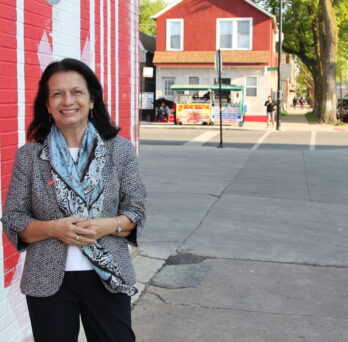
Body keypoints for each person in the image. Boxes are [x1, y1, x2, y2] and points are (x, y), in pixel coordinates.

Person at [1, 58, 146, 342]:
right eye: (57, 93)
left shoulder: (119, 151)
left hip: (108, 275)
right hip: (47, 280)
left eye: (76, 92)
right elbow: (14, 218)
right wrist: (54, 229)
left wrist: (108, 225)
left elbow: (136, 211)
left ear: (92, 99)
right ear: (47, 104)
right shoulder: (30, 156)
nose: (67, 101)